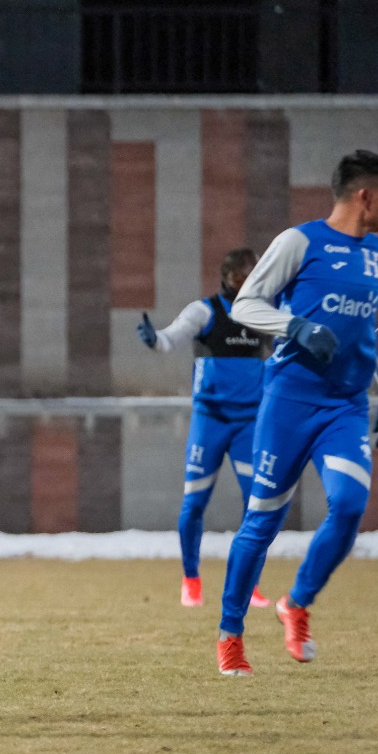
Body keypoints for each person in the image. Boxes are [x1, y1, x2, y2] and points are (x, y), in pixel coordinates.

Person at [216, 149, 378, 676]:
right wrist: (295, 327)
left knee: (349, 505)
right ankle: (230, 635)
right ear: (364, 196)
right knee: (262, 521)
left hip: (346, 406)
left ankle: (295, 603)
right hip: (290, 402)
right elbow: (246, 304)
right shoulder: (299, 242)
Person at [136, 249, 272, 609]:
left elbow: (287, 348)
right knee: (194, 503)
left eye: (255, 272)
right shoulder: (205, 311)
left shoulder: (265, 313)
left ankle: (249, 584)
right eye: (245, 274)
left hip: (249, 423)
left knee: (258, 506)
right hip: (210, 421)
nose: (251, 279)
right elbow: (170, 339)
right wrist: (153, 339)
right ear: (229, 277)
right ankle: (191, 580)